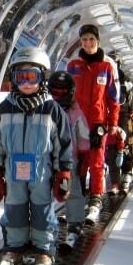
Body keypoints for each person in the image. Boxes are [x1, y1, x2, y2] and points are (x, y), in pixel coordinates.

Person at [0, 47, 73, 265]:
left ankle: (43, 255)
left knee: (42, 211)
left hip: (42, 171)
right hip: (14, 171)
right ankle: (13, 250)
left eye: (32, 77)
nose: (25, 83)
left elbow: (63, 144)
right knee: (14, 209)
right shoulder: (5, 109)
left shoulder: (52, 109)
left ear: (43, 78)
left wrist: (63, 173)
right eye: (20, 77)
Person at [67, 24, 120, 224]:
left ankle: (96, 199)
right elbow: (65, 93)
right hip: (76, 121)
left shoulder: (106, 67)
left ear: (97, 41)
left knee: (97, 161)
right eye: (84, 40)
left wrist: (113, 122)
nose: (88, 43)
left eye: (91, 39)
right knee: (77, 161)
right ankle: (77, 197)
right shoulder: (74, 65)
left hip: (98, 122)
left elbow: (113, 97)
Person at [47, 70, 90, 254]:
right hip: (47, 158)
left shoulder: (75, 112)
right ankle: (45, 225)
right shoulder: (46, 109)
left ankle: (75, 222)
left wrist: (84, 154)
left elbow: (83, 135)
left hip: (69, 159)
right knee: (44, 192)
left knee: (72, 191)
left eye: (62, 92)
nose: (59, 96)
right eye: (55, 92)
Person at [105, 126, 127, 195]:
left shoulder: (117, 129)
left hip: (115, 149)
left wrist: (120, 152)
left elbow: (122, 139)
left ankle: (115, 185)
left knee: (115, 168)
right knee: (111, 168)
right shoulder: (105, 127)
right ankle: (113, 185)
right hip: (108, 149)